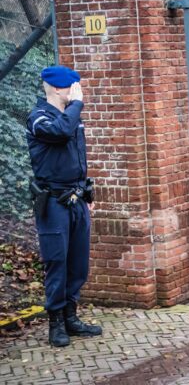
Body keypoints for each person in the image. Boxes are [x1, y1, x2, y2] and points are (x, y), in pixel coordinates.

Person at [26, 65, 102, 347]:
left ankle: (71, 317)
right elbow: (60, 132)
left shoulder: (72, 118)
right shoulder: (39, 118)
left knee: (78, 264)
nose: (77, 92)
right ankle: (55, 324)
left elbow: (78, 159)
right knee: (57, 262)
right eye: (74, 87)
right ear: (59, 88)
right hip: (54, 203)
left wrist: (86, 195)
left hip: (76, 200)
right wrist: (78, 104)